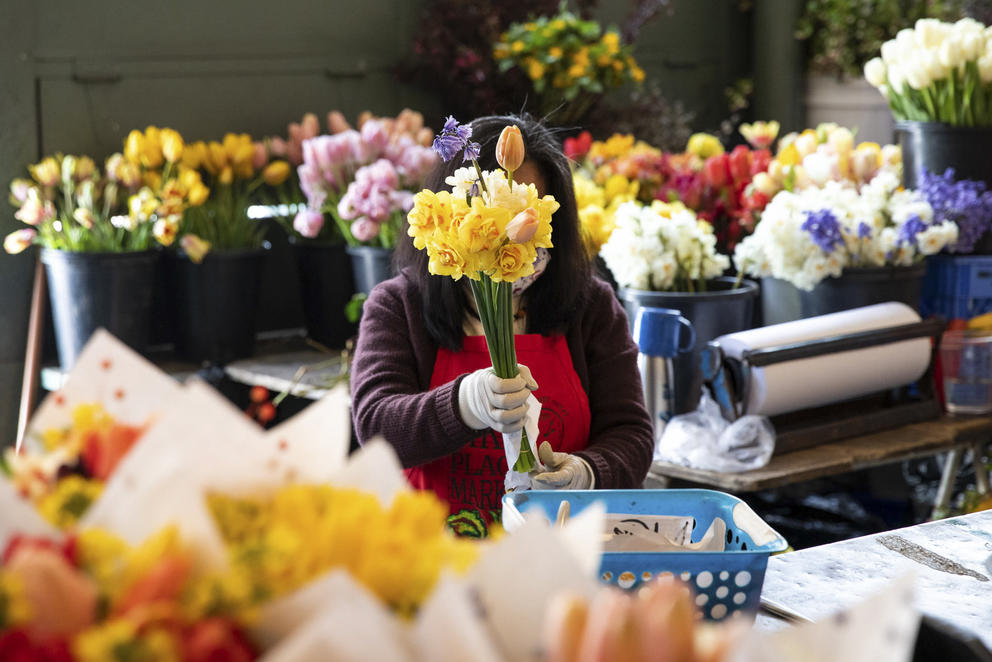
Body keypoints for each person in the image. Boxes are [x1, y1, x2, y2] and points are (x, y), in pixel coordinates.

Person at [350, 114, 653, 533]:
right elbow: (376, 425)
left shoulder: (591, 306)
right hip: (439, 562)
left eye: (530, 218)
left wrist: (587, 472)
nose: (510, 235)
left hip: (562, 556)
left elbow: (631, 433)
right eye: (493, 217)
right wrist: (466, 403)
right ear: (455, 217)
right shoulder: (398, 306)